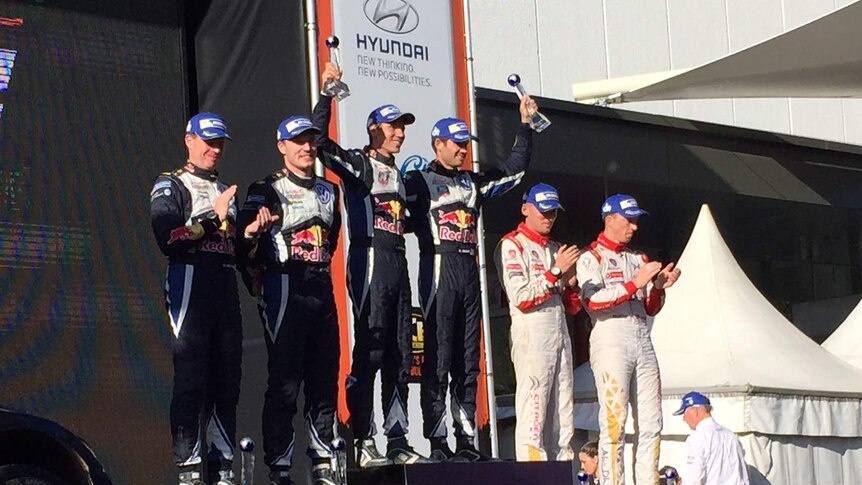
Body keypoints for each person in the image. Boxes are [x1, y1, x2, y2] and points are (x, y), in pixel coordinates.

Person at [403, 95, 536, 461]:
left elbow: (514, 170)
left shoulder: (472, 182)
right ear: (437, 144)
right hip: (438, 270)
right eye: (457, 144)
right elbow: (391, 217)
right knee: (439, 359)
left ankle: (465, 440)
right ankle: (437, 440)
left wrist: (524, 126)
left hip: (467, 270)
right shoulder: (416, 181)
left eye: (466, 144)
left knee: (468, 360)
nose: (463, 150)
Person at [312, 62, 429, 467]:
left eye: (402, 127)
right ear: (373, 129)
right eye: (393, 126)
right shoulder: (359, 164)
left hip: (397, 259)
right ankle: (361, 438)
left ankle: (397, 438)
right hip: (368, 259)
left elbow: (411, 220)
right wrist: (327, 93)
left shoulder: (399, 172)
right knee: (371, 350)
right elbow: (320, 144)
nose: (399, 133)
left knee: (399, 352)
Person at [236, 116, 341, 485]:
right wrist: (251, 231)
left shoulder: (330, 190)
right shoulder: (266, 188)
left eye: (311, 140)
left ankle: (324, 462)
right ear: (282, 146)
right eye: (298, 141)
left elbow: (334, 238)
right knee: (285, 380)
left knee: (325, 377)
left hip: (321, 285)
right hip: (284, 285)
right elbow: (244, 235)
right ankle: (279, 468)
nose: (306, 148)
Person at [150, 112, 242, 485]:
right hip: (189, 278)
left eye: (220, 143)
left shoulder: (225, 190)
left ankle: (222, 468)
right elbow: (166, 237)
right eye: (208, 141)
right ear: (189, 139)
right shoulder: (171, 184)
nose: (214, 149)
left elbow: (235, 245)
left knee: (227, 380)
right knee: (191, 378)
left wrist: (248, 232)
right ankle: (188, 470)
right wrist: (213, 220)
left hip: (224, 281)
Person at [576, 194, 682, 485]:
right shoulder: (590, 257)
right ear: (609, 219)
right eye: (628, 219)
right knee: (614, 423)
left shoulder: (639, 258)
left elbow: (651, 306)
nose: (634, 226)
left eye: (636, 220)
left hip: (641, 334)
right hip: (610, 337)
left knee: (652, 422)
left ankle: (649, 480)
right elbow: (592, 301)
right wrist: (634, 283)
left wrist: (659, 286)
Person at [495, 182, 581, 462]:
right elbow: (520, 297)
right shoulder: (512, 244)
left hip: (559, 331)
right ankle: (533, 468)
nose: (548, 217)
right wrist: (555, 271)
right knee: (534, 402)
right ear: (525, 209)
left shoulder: (557, 247)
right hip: (531, 332)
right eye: (543, 211)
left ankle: (564, 463)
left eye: (553, 213)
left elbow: (573, 307)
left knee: (563, 406)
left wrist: (571, 284)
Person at [674, 392, 750, 485]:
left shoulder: (697, 438)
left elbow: (694, 479)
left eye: (684, 413)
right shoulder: (731, 436)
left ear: (695, 411)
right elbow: (743, 474)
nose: (684, 419)